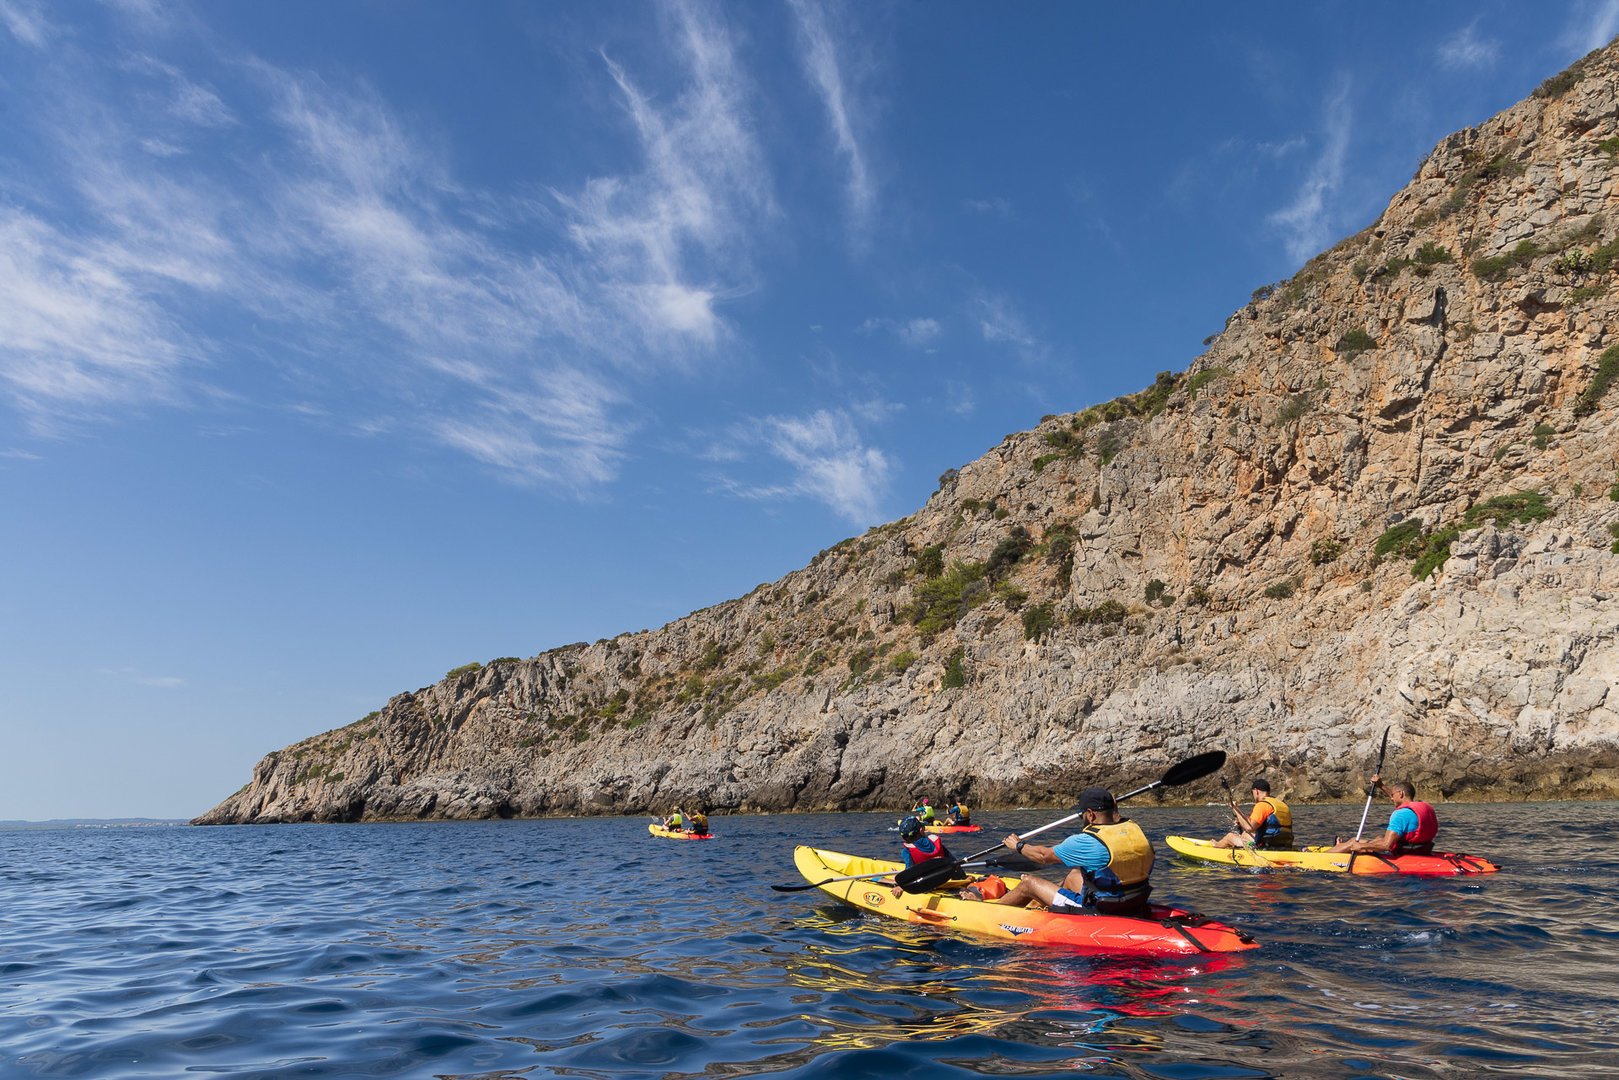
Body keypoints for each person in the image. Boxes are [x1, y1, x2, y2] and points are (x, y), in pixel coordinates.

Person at [984, 786, 1154, 915]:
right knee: (1074, 875)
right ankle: (1039, 903)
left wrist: (1018, 846)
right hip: (1135, 900)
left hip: (1101, 908)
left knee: (1028, 882)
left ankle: (989, 912)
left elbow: (1043, 856)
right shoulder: (1135, 830)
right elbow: (1115, 819)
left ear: (1090, 814)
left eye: (1082, 815)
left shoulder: (1085, 841)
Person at [1329, 776, 1438, 855]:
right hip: (1422, 849)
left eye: (1393, 795)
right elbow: (1399, 800)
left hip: (1405, 851)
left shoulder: (1400, 815)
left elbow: (1386, 845)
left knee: (1354, 842)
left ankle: (1324, 855)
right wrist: (1381, 785)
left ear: (1400, 794)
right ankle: (1340, 848)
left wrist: (1361, 846)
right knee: (1378, 838)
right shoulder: (1423, 806)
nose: (1391, 797)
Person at [1211, 779, 1293, 849]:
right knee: (1245, 834)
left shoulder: (1262, 805)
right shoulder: (1281, 804)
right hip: (1283, 844)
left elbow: (1249, 827)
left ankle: (1216, 846)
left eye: (1252, 792)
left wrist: (1235, 809)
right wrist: (1241, 821)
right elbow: (1256, 826)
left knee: (1230, 836)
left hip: (1266, 846)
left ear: (1256, 791)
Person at [891, 815, 952, 897]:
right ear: (922, 830)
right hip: (943, 879)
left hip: (925, 885)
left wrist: (901, 887)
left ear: (904, 838)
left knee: (890, 879)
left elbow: (909, 872)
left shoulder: (907, 851)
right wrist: (964, 877)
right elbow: (951, 861)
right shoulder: (935, 841)